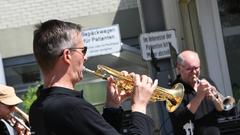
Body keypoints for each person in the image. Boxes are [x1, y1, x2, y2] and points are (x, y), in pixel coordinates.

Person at [29, 19, 158, 135]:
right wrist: (139, 107)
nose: (86, 57)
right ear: (67, 55)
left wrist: (112, 107)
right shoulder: (72, 108)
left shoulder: (37, 107)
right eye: (83, 50)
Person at [169, 50, 223, 135]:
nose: (194, 72)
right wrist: (199, 96)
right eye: (189, 69)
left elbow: (223, 111)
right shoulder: (173, 91)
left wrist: (216, 98)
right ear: (179, 68)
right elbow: (180, 119)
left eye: (196, 68)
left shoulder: (207, 81)